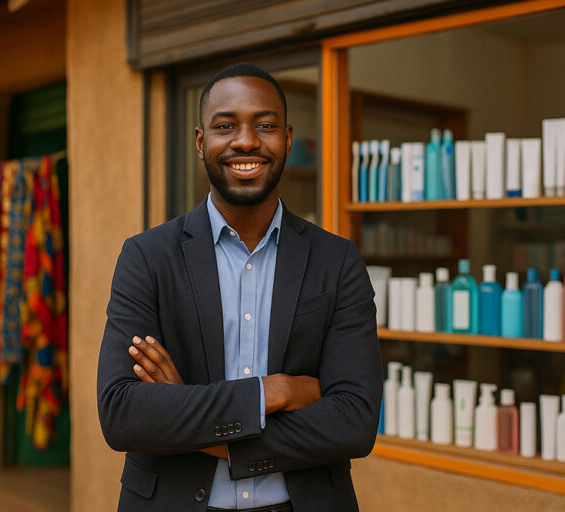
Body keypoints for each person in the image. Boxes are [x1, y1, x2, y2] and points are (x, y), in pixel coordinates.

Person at [97, 62, 382, 512]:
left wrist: (196, 421)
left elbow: (354, 423)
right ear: (200, 142)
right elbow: (122, 413)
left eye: (264, 126)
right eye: (225, 125)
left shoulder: (337, 261)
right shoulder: (148, 257)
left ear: (287, 139)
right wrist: (274, 392)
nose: (246, 141)